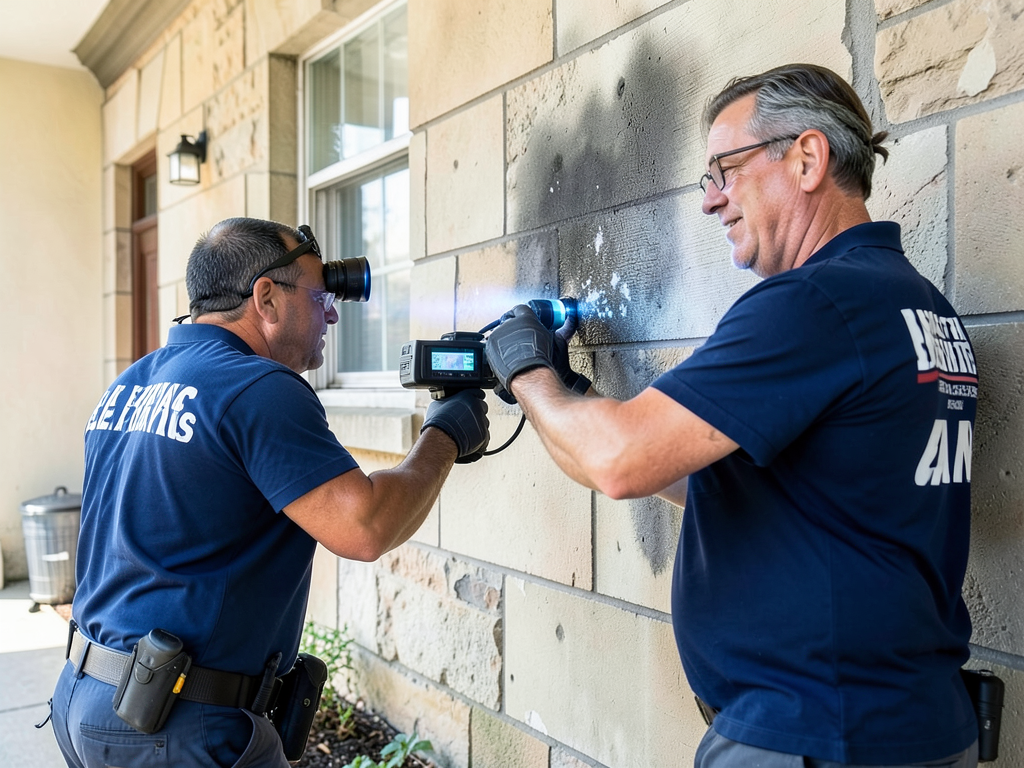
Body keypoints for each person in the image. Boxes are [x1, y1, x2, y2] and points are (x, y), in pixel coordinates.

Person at [485, 64, 980, 767]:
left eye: (725, 169)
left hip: (817, 733)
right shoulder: (917, 304)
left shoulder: (813, 304)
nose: (713, 201)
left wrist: (524, 370)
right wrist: (575, 397)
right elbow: (701, 474)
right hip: (896, 721)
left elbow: (618, 462)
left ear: (807, 158)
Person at [50, 217, 489, 768]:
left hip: (86, 698)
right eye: (318, 294)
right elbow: (366, 527)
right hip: (176, 727)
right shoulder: (258, 387)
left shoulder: (131, 383)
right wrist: (446, 431)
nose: (331, 311)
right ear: (266, 298)